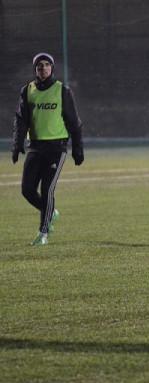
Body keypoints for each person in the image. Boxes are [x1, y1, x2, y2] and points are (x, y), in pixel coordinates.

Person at [11, 52, 84, 246]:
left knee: (47, 190)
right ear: (35, 69)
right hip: (35, 147)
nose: (43, 68)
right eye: (39, 66)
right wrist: (17, 144)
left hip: (56, 148)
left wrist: (78, 148)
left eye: (46, 65)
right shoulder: (27, 90)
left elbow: (74, 122)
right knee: (27, 190)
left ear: (52, 68)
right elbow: (21, 120)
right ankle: (51, 211)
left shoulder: (62, 91)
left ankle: (43, 233)